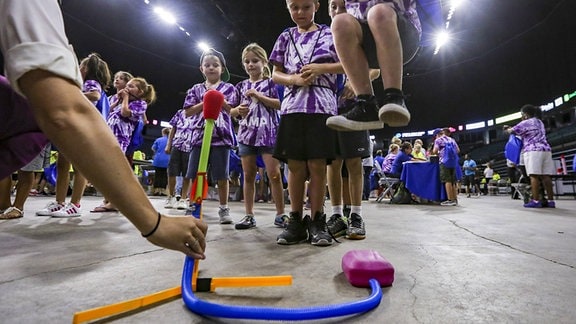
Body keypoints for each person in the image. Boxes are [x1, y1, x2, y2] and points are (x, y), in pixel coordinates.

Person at [0, 0, 207, 258]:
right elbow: (65, 112)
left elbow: (71, 112)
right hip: (91, 132)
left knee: (74, 160)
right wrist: (154, 223)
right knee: (45, 132)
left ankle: (75, 202)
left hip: (114, 139)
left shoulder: (116, 96)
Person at [270, 0, 341, 246]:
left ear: (316, 6)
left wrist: (321, 68)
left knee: (318, 165)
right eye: (294, 7)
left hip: (322, 106)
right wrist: (293, 79)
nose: (300, 12)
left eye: (305, 6)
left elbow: (347, 65)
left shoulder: (330, 33)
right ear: (288, 7)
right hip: (292, 107)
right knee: (295, 166)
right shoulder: (285, 37)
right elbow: (275, 73)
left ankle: (318, 220)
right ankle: (296, 220)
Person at [325, 0, 421, 131]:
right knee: (339, 22)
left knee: (378, 12)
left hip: (399, 30)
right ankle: (366, 104)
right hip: (367, 39)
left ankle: (394, 96)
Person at [36, 53, 112, 218]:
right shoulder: (82, 83)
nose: (78, 68)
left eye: (82, 66)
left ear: (87, 69)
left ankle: (75, 204)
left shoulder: (90, 83)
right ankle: (59, 202)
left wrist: (70, 98)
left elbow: (95, 95)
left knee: (78, 168)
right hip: (74, 130)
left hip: (82, 130)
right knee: (62, 165)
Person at [325, 0, 374, 240]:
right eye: (333, 6)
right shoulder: (324, 38)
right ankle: (336, 214)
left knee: (354, 163)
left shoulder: (358, 31)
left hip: (356, 110)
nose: (337, 11)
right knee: (333, 164)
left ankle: (356, 214)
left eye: (342, 6)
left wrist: (357, 83)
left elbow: (376, 68)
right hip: (328, 110)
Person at [230, 43, 287, 230]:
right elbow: (232, 111)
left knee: (274, 175)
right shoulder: (240, 86)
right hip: (246, 135)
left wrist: (259, 96)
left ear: (264, 63)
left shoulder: (273, 83)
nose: (250, 65)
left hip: (269, 134)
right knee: (248, 175)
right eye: (247, 61)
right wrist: (238, 110)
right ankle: (249, 215)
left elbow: (281, 105)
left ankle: (280, 214)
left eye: (255, 61)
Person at [184, 48, 239, 224]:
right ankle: (193, 204)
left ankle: (224, 208)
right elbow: (188, 112)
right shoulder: (195, 89)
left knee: (222, 176)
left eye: (215, 65)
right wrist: (206, 101)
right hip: (199, 137)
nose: (211, 68)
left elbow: (233, 111)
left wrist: (219, 100)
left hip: (221, 138)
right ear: (201, 69)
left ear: (222, 68)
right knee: (194, 174)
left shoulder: (229, 89)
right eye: (207, 65)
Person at [504, 104, 556, 208]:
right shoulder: (539, 122)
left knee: (534, 175)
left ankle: (536, 201)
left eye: (522, 114)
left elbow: (511, 131)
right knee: (546, 176)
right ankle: (551, 201)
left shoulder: (525, 122)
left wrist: (507, 128)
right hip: (546, 149)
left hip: (533, 151)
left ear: (525, 114)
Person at [0, 145, 51, 219]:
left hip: (31, 136)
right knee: (3, 166)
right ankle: (4, 206)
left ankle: (18, 207)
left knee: (26, 168)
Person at [165, 109, 194, 210]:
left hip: (190, 147)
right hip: (176, 145)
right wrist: (169, 145)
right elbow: (173, 129)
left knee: (187, 174)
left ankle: (183, 198)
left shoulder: (200, 114)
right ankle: (170, 196)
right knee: (171, 172)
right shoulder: (180, 112)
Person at [432, 128, 460, 206]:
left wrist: (440, 154)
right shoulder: (451, 139)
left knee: (447, 180)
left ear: (437, 134)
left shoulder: (438, 140)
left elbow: (435, 151)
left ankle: (450, 200)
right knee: (453, 181)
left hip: (444, 162)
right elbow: (457, 150)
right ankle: (455, 199)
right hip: (453, 162)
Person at [151, 128, 171, 196]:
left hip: (158, 160)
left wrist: (157, 152)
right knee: (165, 176)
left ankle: (156, 190)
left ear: (163, 133)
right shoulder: (171, 140)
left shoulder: (158, 140)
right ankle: (163, 191)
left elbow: (153, 148)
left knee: (157, 175)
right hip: (168, 160)